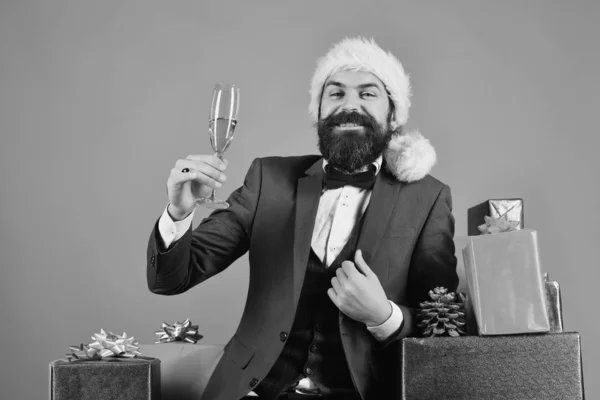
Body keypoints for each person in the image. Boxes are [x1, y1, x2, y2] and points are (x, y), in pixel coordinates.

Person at [146, 37, 458, 400]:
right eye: (336, 93)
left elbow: (441, 328)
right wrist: (179, 213)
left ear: (392, 114)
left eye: (368, 94)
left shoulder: (428, 197)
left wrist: (383, 316)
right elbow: (172, 279)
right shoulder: (268, 179)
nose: (349, 106)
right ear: (319, 110)